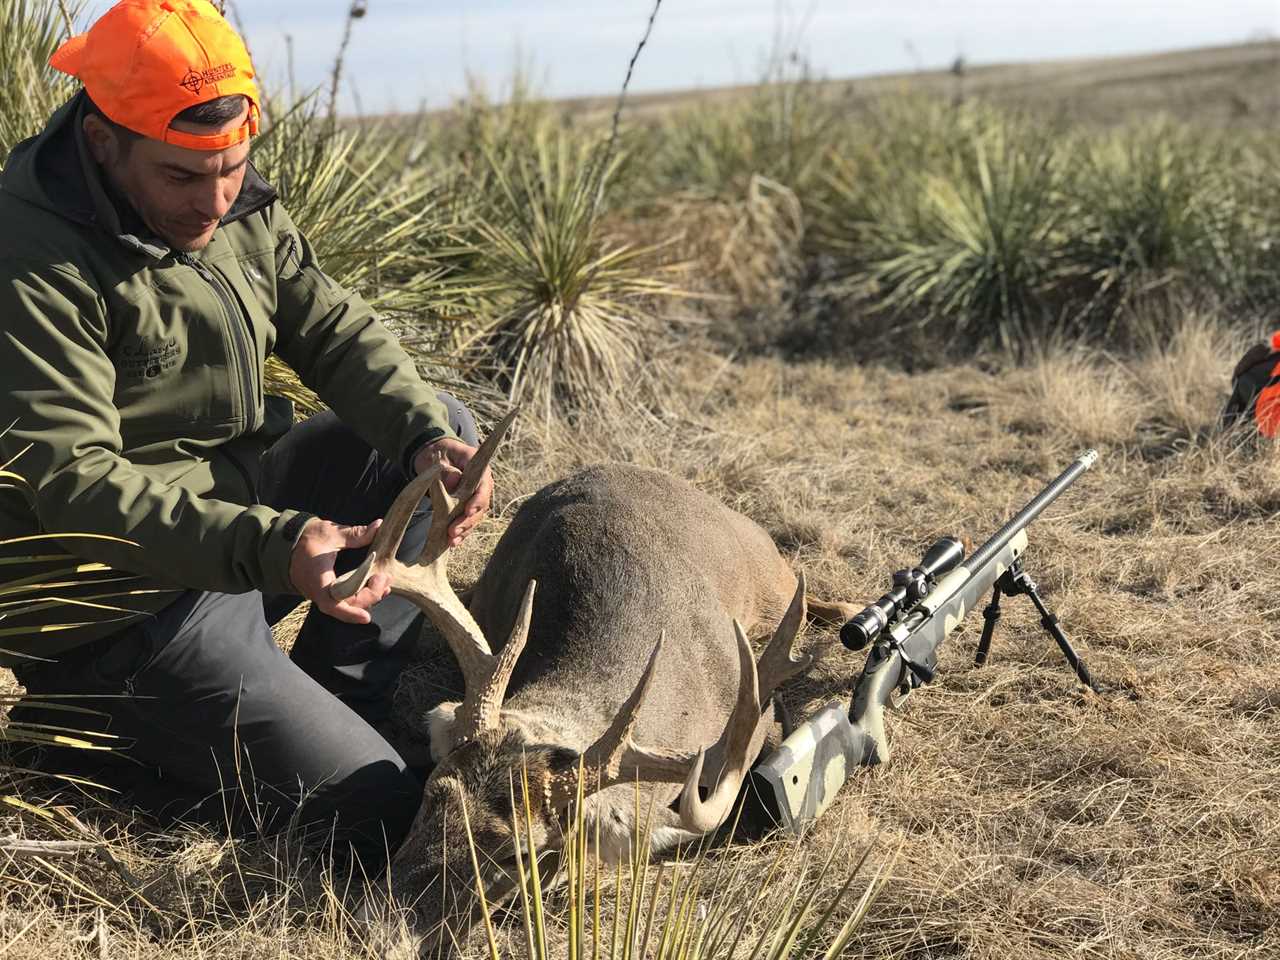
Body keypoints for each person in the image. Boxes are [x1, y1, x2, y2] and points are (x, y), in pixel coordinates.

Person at [0, 0, 489, 860]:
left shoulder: (231, 203)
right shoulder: (30, 252)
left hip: (235, 513)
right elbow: (72, 478)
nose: (214, 200)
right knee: (375, 814)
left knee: (442, 425)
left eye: (233, 167)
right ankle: (92, 736)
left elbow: (331, 329)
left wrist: (420, 441)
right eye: (183, 177)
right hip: (118, 602)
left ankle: (333, 695)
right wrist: (275, 547)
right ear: (103, 139)